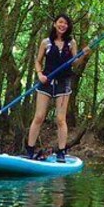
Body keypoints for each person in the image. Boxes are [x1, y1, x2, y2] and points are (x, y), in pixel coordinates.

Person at [25, 14, 89, 162]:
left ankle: (61, 152)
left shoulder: (71, 43)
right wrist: (39, 74)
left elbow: (75, 63)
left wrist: (84, 55)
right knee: (39, 117)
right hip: (46, 81)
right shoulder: (45, 42)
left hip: (63, 82)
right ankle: (30, 150)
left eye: (65, 23)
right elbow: (38, 61)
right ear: (55, 24)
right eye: (60, 22)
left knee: (60, 119)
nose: (63, 25)